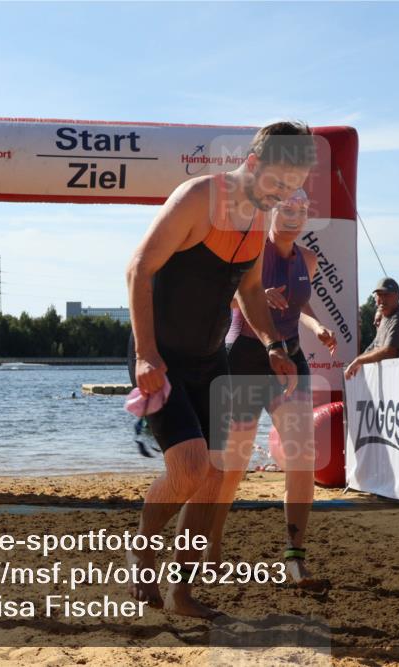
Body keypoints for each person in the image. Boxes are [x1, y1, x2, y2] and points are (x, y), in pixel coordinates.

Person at [125, 121, 314, 617]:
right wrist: (145, 354)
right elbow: (139, 268)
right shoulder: (198, 198)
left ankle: (181, 593)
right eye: (278, 183)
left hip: (210, 359)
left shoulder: (259, 216)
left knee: (216, 474)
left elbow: (248, 289)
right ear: (252, 163)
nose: (282, 196)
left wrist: (273, 344)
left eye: (293, 187)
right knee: (189, 467)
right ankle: (142, 546)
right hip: (161, 356)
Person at [206, 188, 336, 588]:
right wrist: (255, 296)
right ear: (271, 212)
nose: (294, 215)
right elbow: (224, 297)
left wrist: (316, 326)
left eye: (301, 209)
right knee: (234, 464)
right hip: (245, 358)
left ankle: (295, 557)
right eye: (287, 208)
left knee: (303, 456)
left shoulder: (308, 259)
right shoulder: (249, 249)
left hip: (289, 358)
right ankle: (211, 548)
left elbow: (300, 304)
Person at [344, 277, 399, 379]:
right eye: (379, 295)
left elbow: (388, 352)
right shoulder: (385, 317)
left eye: (386, 295)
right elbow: (374, 346)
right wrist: (357, 361)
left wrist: (359, 361)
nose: (382, 299)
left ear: (398, 296)